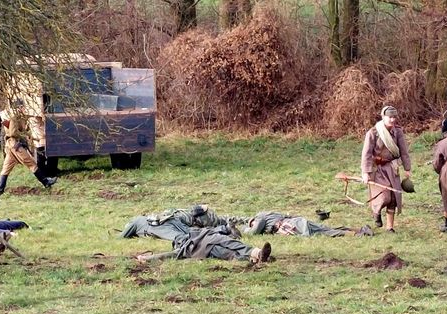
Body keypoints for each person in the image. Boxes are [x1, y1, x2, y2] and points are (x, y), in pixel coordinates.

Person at [360, 105, 412, 232]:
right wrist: (365, 173)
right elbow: (366, 154)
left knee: (393, 198)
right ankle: (376, 212)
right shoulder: (373, 133)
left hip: (392, 168)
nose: (393, 120)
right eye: (390, 117)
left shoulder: (398, 132)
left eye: (394, 117)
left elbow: (404, 151)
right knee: (384, 196)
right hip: (377, 169)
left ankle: (390, 227)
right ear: (383, 117)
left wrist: (407, 168)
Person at [0, 99, 57, 196]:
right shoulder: (15, 117)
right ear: (19, 107)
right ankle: (46, 182)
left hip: (10, 146)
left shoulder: (18, 116)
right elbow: (13, 133)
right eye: (23, 106)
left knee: (6, 168)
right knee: (31, 163)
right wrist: (24, 135)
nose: (24, 108)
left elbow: (24, 128)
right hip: (15, 145)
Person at [137, 226, 272, 264]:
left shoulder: (194, 235)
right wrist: (147, 259)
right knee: (230, 252)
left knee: (232, 245)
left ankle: (257, 254)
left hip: (212, 240)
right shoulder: (183, 248)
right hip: (209, 248)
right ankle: (256, 257)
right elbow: (169, 255)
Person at [120, 205, 245, 240]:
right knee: (189, 233)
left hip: (161, 227)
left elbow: (121, 237)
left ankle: (225, 230)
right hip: (170, 220)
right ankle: (226, 229)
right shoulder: (142, 219)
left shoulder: (136, 222)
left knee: (186, 237)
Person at [244, 211, 373, 237]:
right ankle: (360, 230)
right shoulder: (270, 214)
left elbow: (255, 230)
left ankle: (359, 234)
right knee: (327, 229)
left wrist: (247, 231)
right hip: (298, 221)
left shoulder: (259, 219)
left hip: (293, 227)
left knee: (328, 232)